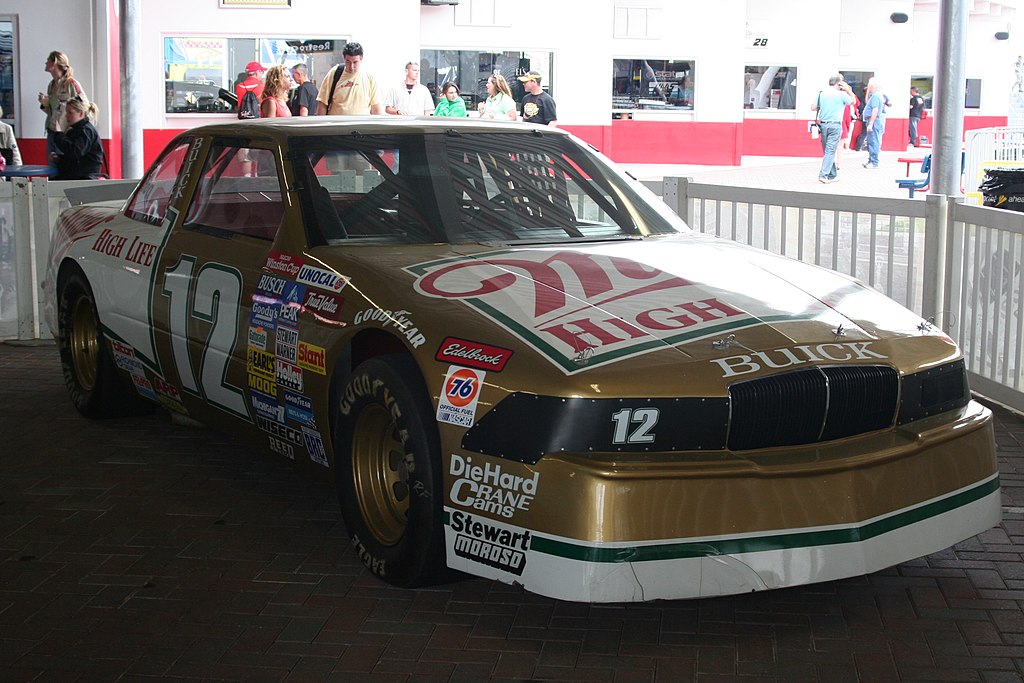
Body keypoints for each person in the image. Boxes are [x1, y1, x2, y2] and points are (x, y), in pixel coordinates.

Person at [37, 51, 87, 163]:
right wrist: (44, 103)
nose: (45, 63)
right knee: (52, 166)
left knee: (63, 166)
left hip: (66, 133)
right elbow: (53, 110)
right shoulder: (51, 85)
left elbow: (84, 106)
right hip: (52, 131)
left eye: (48, 60)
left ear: (54, 63)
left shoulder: (71, 84)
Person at [316, 42, 384, 115]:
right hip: (338, 125)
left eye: (355, 62)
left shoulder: (369, 78)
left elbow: (376, 108)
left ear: (361, 60)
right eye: (348, 62)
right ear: (344, 58)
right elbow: (322, 103)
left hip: (361, 125)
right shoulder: (334, 73)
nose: (351, 66)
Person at [811, 74, 854, 183]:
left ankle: (833, 174)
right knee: (830, 151)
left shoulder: (821, 93)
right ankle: (823, 175)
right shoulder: (841, 95)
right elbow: (853, 101)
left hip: (823, 125)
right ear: (839, 84)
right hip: (835, 125)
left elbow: (813, 107)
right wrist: (848, 90)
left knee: (828, 151)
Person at [49, 97, 103, 180]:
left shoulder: (85, 131)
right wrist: (60, 158)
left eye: (70, 113)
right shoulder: (76, 130)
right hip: (78, 174)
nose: (66, 116)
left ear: (81, 113)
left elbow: (75, 152)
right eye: (66, 112)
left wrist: (59, 134)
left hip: (84, 177)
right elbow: (75, 156)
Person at [861, 77, 887, 169]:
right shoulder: (875, 95)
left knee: (873, 141)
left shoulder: (876, 96)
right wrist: (868, 93)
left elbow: (875, 109)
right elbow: (868, 103)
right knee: (871, 141)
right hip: (873, 120)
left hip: (874, 121)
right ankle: (872, 160)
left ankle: (874, 161)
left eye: (869, 85)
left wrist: (871, 123)